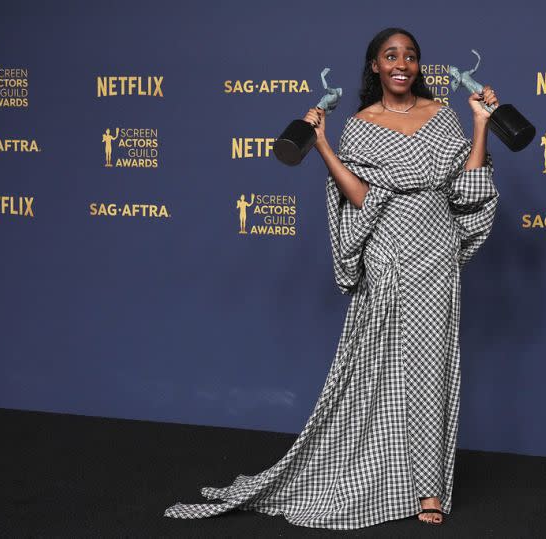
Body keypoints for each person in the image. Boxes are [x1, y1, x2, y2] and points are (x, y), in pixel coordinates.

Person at [163, 27, 499, 529]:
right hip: (389, 255)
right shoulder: (361, 126)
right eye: (391, 55)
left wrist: (479, 124)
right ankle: (375, 475)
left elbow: (468, 189)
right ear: (375, 67)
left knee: (431, 371)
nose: (402, 63)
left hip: (436, 254)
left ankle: (427, 488)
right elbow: (361, 199)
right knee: (375, 370)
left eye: (410, 55)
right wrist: (322, 144)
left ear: (418, 66)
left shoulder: (443, 115)